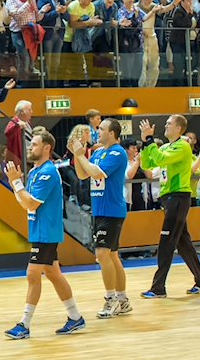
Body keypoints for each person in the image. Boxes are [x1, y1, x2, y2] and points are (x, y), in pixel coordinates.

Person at [4, 130, 87, 340]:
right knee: (53, 274)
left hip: (46, 232)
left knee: (33, 274)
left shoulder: (48, 172)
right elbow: (25, 203)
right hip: (38, 230)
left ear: (47, 148)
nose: (30, 147)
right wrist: (17, 185)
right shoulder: (34, 172)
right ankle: (75, 316)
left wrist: (15, 183)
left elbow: (30, 202)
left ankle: (24, 324)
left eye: (34, 144)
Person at [139, 115, 200, 298]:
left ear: (179, 128)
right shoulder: (164, 146)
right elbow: (148, 163)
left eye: (169, 123)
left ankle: (158, 288)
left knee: (166, 242)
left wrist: (149, 139)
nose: (165, 125)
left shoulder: (183, 146)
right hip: (168, 198)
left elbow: (161, 159)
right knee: (184, 243)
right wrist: (145, 143)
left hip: (178, 197)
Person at [70, 118, 132, 318]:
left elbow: (97, 173)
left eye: (102, 128)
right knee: (112, 255)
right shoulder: (97, 152)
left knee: (102, 254)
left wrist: (82, 156)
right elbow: (82, 175)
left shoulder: (117, 152)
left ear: (112, 133)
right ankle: (122, 301)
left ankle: (111, 299)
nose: (97, 131)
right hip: (99, 211)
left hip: (112, 210)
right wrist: (77, 156)